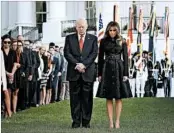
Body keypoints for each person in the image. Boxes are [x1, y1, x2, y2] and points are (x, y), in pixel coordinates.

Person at [64, 18, 98, 128]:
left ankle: (86, 121)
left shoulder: (93, 39)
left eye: (83, 26)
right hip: (74, 73)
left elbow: (94, 54)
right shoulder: (69, 38)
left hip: (87, 73)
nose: (81, 29)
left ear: (87, 26)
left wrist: (84, 65)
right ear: (76, 27)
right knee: (74, 99)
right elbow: (67, 53)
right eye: (79, 27)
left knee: (87, 99)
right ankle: (76, 121)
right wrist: (77, 65)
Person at [97, 21, 131, 129]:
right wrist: (99, 74)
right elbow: (100, 58)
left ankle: (117, 122)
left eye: (114, 30)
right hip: (107, 68)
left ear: (117, 30)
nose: (112, 32)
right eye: (110, 30)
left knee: (118, 97)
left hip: (119, 69)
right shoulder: (103, 41)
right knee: (108, 97)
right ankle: (110, 122)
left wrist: (126, 73)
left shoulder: (123, 41)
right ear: (108, 30)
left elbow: (126, 58)